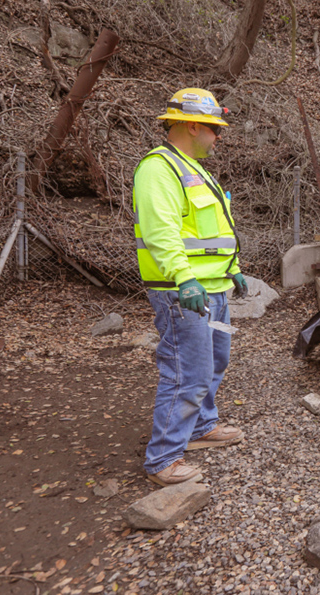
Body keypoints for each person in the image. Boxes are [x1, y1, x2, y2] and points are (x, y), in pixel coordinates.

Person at [133, 88, 248, 486]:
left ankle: (201, 427)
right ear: (193, 125)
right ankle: (163, 458)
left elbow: (210, 231)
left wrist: (232, 270)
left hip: (213, 290)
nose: (218, 137)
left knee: (216, 359)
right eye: (215, 130)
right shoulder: (159, 168)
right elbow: (161, 231)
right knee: (187, 372)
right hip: (185, 293)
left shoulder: (193, 169)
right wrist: (183, 278)